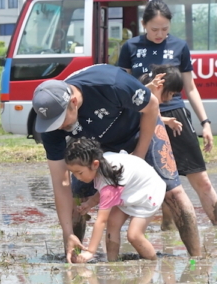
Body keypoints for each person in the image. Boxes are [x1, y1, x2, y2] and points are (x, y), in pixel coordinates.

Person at [32, 63, 201, 263]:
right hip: (98, 146)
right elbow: (61, 182)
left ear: (74, 101)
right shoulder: (51, 127)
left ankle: (198, 261)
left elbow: (153, 105)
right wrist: (67, 232)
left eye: (61, 120)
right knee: (76, 198)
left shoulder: (111, 83)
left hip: (140, 128)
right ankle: (74, 255)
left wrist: (138, 155)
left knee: (173, 193)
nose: (59, 127)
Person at [118, 0, 217, 227]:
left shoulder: (179, 47)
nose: (159, 34)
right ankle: (166, 232)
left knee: (202, 180)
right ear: (143, 24)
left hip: (175, 113)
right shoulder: (130, 48)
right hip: (143, 116)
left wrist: (205, 122)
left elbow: (191, 88)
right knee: (161, 183)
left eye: (165, 29)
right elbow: (122, 86)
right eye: (154, 29)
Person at [65, 138, 165, 262]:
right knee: (113, 222)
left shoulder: (110, 181)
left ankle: (153, 263)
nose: (77, 177)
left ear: (95, 164)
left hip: (147, 194)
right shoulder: (103, 165)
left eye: (79, 172)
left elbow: (101, 220)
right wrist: (90, 203)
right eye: (73, 173)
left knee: (134, 235)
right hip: (130, 190)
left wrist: (90, 252)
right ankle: (112, 261)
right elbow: (104, 189)